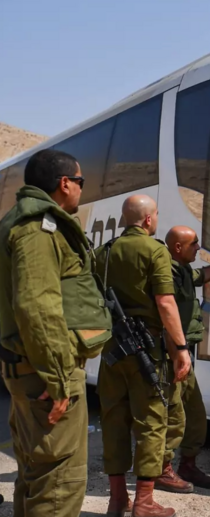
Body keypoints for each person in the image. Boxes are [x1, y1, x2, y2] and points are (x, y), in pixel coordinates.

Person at [0, 149, 112, 517]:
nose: (82, 189)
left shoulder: (26, 224)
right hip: (45, 376)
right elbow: (37, 307)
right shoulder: (37, 228)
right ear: (64, 183)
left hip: (31, 370)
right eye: (80, 182)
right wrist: (59, 375)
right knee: (58, 483)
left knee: (36, 475)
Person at [95, 194, 192, 517]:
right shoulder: (155, 251)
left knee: (113, 420)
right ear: (149, 220)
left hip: (113, 349)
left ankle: (117, 498)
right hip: (146, 350)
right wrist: (180, 349)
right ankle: (144, 503)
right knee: (151, 422)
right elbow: (165, 302)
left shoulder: (105, 253)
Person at [159, 226, 210, 491]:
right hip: (170, 355)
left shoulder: (182, 272)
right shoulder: (166, 273)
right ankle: (162, 469)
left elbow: (205, 274)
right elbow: (166, 319)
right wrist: (176, 356)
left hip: (183, 354)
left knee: (195, 413)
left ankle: (188, 465)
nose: (198, 248)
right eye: (194, 244)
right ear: (178, 248)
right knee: (175, 415)